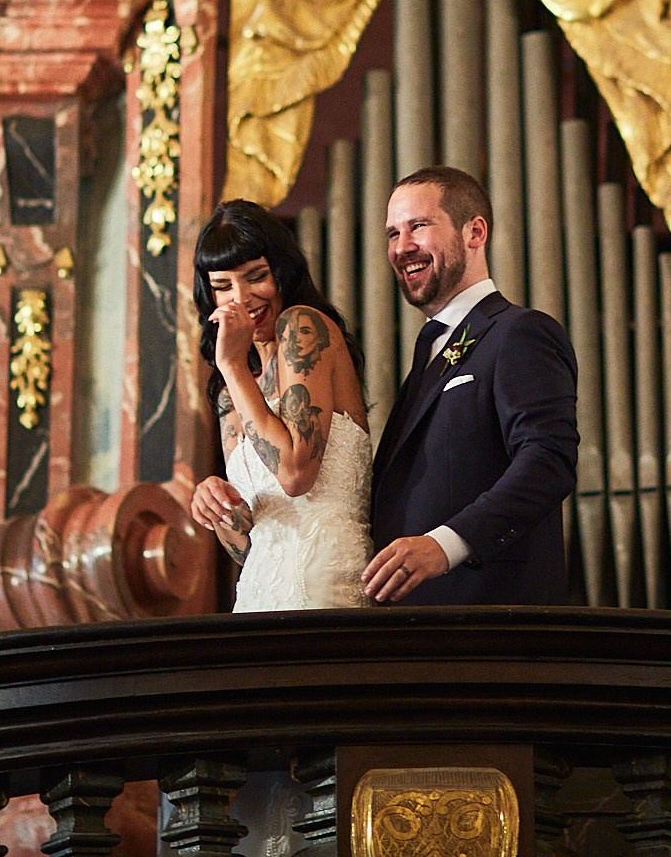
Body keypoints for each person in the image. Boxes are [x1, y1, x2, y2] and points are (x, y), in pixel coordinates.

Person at [361, 166, 578, 605]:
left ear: (475, 231)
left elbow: (548, 460)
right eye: (392, 233)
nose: (402, 247)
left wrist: (445, 545)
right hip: (415, 627)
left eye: (418, 226)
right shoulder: (432, 351)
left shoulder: (518, 332)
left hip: (490, 622)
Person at [184, 201, 373, 611]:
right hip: (257, 594)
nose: (241, 299)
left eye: (256, 277)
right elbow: (245, 546)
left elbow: (295, 474)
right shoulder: (228, 393)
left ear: (281, 272)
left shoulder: (303, 327)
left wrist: (231, 364)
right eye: (223, 286)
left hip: (324, 583)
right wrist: (217, 506)